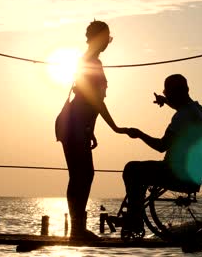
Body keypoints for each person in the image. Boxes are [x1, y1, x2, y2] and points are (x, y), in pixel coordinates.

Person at [60, 20, 127, 240]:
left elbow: (87, 102)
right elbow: (95, 101)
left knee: (80, 176)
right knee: (83, 175)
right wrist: (114, 126)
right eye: (106, 37)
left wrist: (90, 129)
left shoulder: (87, 60)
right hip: (76, 126)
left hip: (77, 126)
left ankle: (76, 229)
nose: (108, 42)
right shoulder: (92, 62)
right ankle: (77, 230)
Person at [122, 74, 202, 238]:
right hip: (194, 173)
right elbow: (181, 106)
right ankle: (136, 216)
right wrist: (165, 101)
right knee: (141, 170)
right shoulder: (198, 110)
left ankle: (135, 219)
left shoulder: (181, 117)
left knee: (132, 168)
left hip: (176, 173)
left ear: (175, 93)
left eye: (167, 93)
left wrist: (139, 134)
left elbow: (161, 146)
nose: (167, 96)